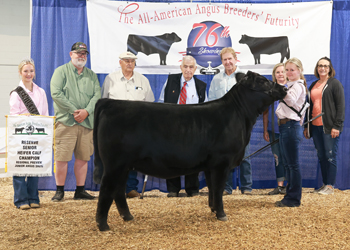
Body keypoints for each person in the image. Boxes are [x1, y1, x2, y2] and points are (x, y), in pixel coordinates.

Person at [50, 42, 101, 201]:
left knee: (83, 158)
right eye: (78, 53)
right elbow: (56, 93)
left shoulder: (91, 75)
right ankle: (60, 191)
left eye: (84, 54)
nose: (81, 56)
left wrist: (86, 111)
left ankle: (80, 191)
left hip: (86, 123)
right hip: (66, 122)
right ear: (71, 54)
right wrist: (74, 110)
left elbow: (97, 95)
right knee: (62, 158)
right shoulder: (61, 72)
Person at [101, 51, 155, 198]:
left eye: (132, 60)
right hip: (115, 128)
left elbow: (150, 104)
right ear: (120, 62)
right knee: (114, 159)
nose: (129, 63)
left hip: (136, 128)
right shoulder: (110, 79)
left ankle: (130, 188)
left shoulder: (143, 80)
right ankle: (114, 188)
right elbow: (104, 102)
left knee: (133, 159)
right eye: (126, 60)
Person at [158, 55, 208, 197]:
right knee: (171, 157)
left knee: (193, 158)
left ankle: (192, 189)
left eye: (191, 67)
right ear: (181, 67)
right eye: (185, 67)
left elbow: (205, 109)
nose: (188, 70)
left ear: (195, 69)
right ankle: (173, 189)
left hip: (193, 129)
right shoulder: (170, 81)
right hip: (172, 127)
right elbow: (162, 102)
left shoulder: (201, 86)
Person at [208, 47, 252, 195]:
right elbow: (212, 101)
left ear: (235, 59)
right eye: (224, 60)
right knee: (224, 157)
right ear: (222, 62)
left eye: (230, 59)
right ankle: (226, 188)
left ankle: (247, 187)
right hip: (223, 125)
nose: (227, 62)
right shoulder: (217, 79)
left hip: (240, 123)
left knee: (244, 155)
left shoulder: (244, 78)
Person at [9, 59, 49, 209]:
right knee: (20, 165)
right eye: (25, 71)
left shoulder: (41, 92)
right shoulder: (16, 93)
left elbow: (45, 113)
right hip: (21, 134)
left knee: (34, 165)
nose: (29, 74)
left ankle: (33, 197)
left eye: (31, 71)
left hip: (37, 134)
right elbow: (14, 115)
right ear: (20, 73)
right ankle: (20, 199)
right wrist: (24, 117)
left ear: (34, 73)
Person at [303, 57, 345, 195]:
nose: (323, 68)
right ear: (317, 68)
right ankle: (325, 184)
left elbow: (340, 107)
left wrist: (337, 126)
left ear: (330, 68)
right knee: (321, 156)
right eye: (320, 65)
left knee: (330, 156)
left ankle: (330, 186)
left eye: (326, 66)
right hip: (315, 127)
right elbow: (309, 107)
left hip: (329, 127)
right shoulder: (313, 85)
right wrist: (306, 126)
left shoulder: (334, 84)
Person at [275, 57, 308, 207]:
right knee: (288, 164)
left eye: (292, 70)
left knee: (292, 164)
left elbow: (291, 100)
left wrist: (280, 88)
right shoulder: (291, 85)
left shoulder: (297, 86)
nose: (288, 72)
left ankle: (293, 199)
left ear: (299, 71)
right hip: (286, 127)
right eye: (287, 70)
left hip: (290, 127)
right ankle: (290, 195)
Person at [263, 63, 286, 195]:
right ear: (274, 75)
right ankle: (280, 185)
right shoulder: (270, 93)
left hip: (288, 130)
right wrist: (265, 129)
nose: (280, 74)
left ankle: (291, 185)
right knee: (277, 157)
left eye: (283, 72)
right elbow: (265, 112)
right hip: (274, 131)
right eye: (278, 72)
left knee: (289, 158)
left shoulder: (291, 88)